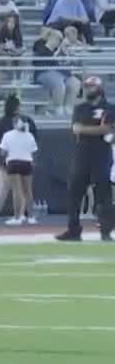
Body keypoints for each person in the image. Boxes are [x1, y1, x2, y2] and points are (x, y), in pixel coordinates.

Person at [58, 76, 115, 241]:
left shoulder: (109, 108)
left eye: (91, 87)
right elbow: (76, 129)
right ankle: (73, 230)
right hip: (82, 154)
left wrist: (85, 129)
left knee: (103, 194)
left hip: (101, 155)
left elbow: (105, 129)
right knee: (74, 193)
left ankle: (105, 231)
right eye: (87, 86)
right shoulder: (80, 108)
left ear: (99, 88)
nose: (88, 89)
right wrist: (93, 129)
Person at [0, 116, 39, 226]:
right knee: (28, 191)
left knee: (16, 190)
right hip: (27, 163)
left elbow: (3, 152)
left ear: (15, 123)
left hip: (13, 163)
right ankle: (31, 217)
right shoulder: (29, 135)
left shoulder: (7, 135)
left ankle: (17, 218)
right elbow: (33, 151)